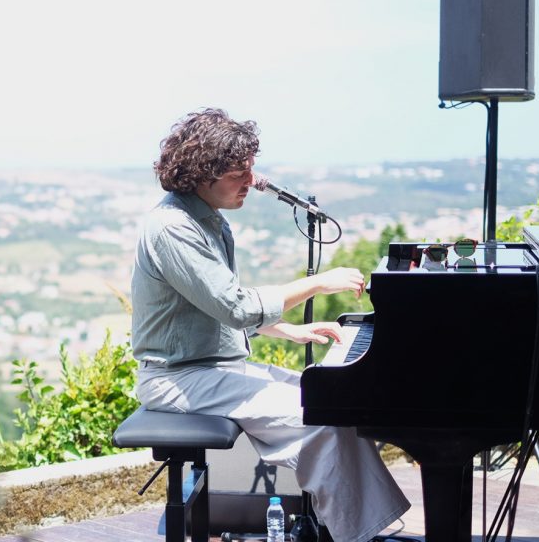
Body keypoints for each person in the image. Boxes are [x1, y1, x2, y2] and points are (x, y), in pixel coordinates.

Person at [130, 108, 410, 542]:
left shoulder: (206, 220)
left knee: (332, 402)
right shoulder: (173, 229)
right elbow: (236, 307)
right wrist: (318, 283)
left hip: (210, 369)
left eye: (250, 170)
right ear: (202, 176)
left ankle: (353, 530)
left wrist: (287, 331)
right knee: (319, 418)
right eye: (238, 173)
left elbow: (216, 305)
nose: (251, 181)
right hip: (178, 380)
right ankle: (356, 534)